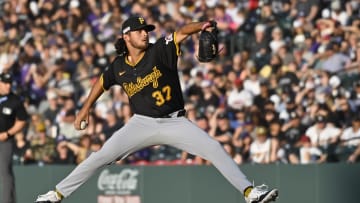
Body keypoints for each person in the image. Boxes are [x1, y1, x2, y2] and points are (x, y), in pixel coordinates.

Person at [35, 16, 278, 203]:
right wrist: (85, 109)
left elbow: (182, 32)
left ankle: (249, 192)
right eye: (140, 31)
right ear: (126, 37)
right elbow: (102, 81)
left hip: (175, 122)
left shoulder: (160, 49)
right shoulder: (119, 66)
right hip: (141, 123)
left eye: (146, 30)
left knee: (213, 147)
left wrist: (202, 25)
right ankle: (55, 195)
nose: (145, 33)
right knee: (99, 157)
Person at [0, 72, 29, 203]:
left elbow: (22, 120)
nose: (8, 86)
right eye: (5, 83)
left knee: (4, 171)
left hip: (5, 140)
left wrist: (7, 134)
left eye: (10, 83)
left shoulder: (15, 101)